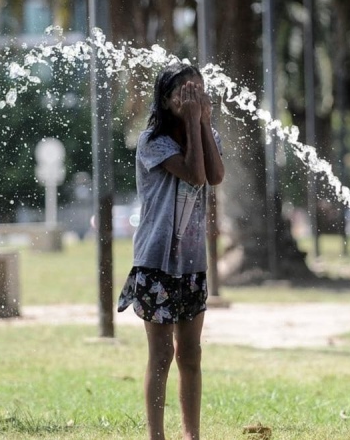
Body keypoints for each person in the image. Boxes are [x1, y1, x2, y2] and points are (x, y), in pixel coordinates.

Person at [117, 62, 224, 440]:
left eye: (199, 90)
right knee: (161, 356)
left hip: (192, 264)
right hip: (156, 262)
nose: (193, 97)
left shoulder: (207, 134)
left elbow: (214, 175)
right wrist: (196, 124)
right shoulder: (153, 142)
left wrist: (202, 125)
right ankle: (157, 436)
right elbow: (193, 173)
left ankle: (192, 435)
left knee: (191, 354)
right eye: (184, 92)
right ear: (166, 100)